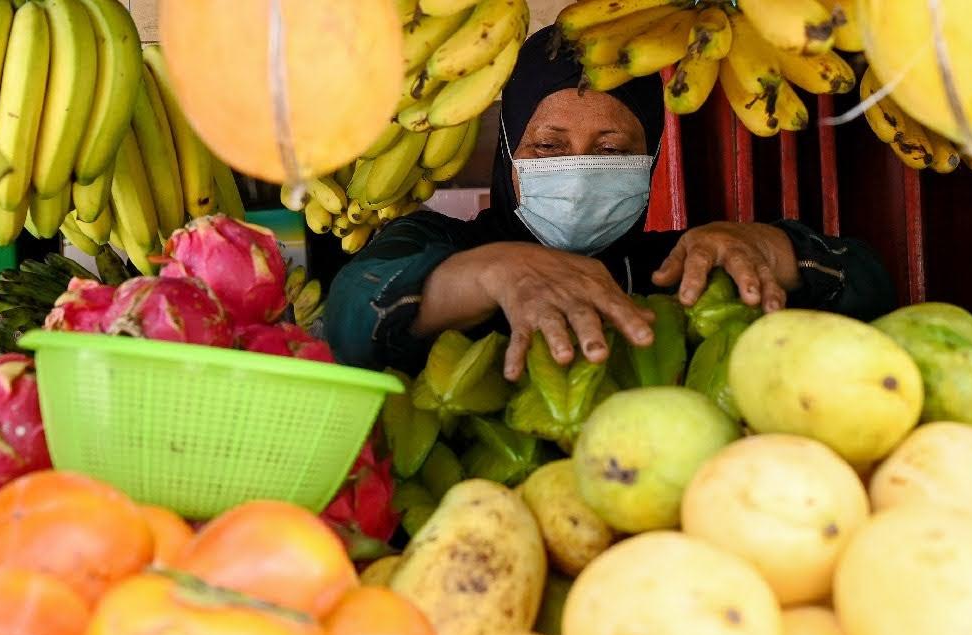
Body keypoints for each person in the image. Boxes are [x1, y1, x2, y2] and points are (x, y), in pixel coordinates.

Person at [326, 27, 896, 381]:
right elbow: (352, 312)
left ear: (649, 159)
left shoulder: (685, 267)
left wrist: (770, 249)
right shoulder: (436, 244)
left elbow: (868, 279)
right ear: (508, 151)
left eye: (611, 147)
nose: (577, 167)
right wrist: (495, 272)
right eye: (547, 145)